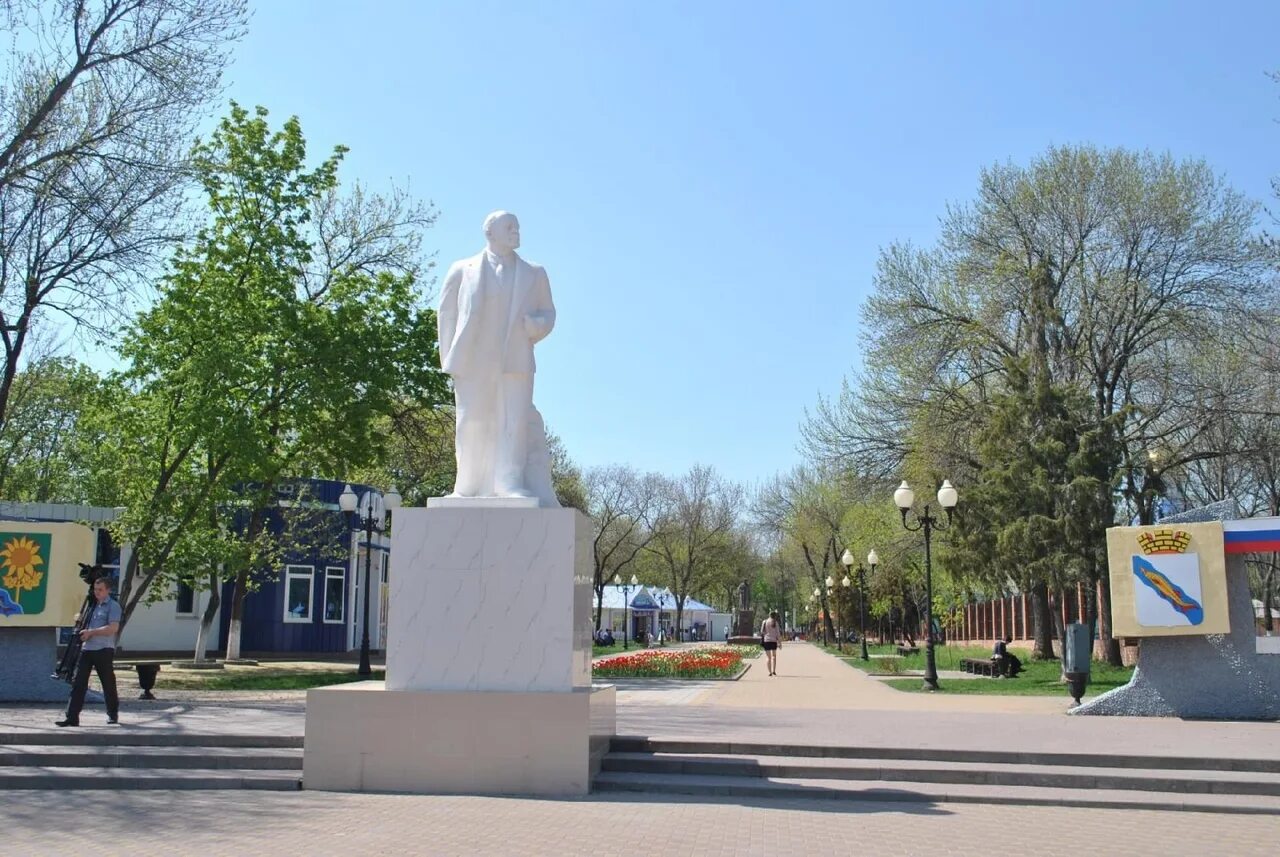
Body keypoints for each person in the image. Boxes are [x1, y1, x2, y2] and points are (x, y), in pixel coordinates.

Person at [437, 211, 558, 503]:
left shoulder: (534, 273)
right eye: (509, 227)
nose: (516, 231)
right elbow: (446, 312)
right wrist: (450, 356)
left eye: (517, 226)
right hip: (473, 359)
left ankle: (509, 482)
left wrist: (537, 326)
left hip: (515, 359)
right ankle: (466, 484)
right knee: (470, 421)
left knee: (513, 422)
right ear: (489, 233)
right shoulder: (461, 269)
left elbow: (549, 312)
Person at [57, 577, 121, 727]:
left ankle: (112, 714)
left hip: (103, 649)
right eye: (95, 589)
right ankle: (72, 718)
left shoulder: (113, 606)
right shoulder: (92, 606)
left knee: (107, 683)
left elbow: (113, 628)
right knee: (78, 684)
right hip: (86, 649)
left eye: (100, 590)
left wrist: (91, 633)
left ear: (108, 590)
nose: (97, 592)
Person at [760, 610, 782, 676]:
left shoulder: (765, 622)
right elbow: (778, 634)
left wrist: (767, 634)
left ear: (769, 615)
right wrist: (780, 643)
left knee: (768, 657)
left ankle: (769, 672)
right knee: (774, 656)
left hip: (767, 641)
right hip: (773, 641)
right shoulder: (775, 623)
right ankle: (774, 671)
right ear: (775, 616)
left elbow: (762, 631)